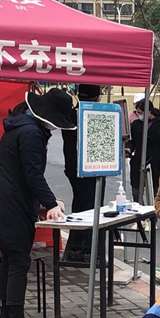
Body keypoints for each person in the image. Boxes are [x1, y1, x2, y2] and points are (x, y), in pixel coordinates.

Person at [0, 89, 73, 318]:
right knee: (19, 260)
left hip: (5, 201)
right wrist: (51, 204)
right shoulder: (31, 133)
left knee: (9, 259)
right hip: (13, 205)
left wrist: (47, 201)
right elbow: (32, 174)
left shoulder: (21, 126)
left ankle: (6, 315)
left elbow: (25, 173)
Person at [62, 84, 101, 262]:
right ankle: (87, 249)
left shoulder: (71, 114)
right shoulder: (93, 115)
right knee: (91, 209)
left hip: (72, 167)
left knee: (79, 205)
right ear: (97, 97)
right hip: (91, 169)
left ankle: (75, 247)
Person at [128, 104, 160, 203]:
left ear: (149, 111)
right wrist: (129, 148)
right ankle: (139, 208)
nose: (139, 115)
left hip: (156, 161)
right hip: (138, 160)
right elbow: (132, 141)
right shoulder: (136, 124)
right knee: (136, 191)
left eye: (141, 113)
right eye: (138, 113)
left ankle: (155, 210)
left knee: (156, 191)